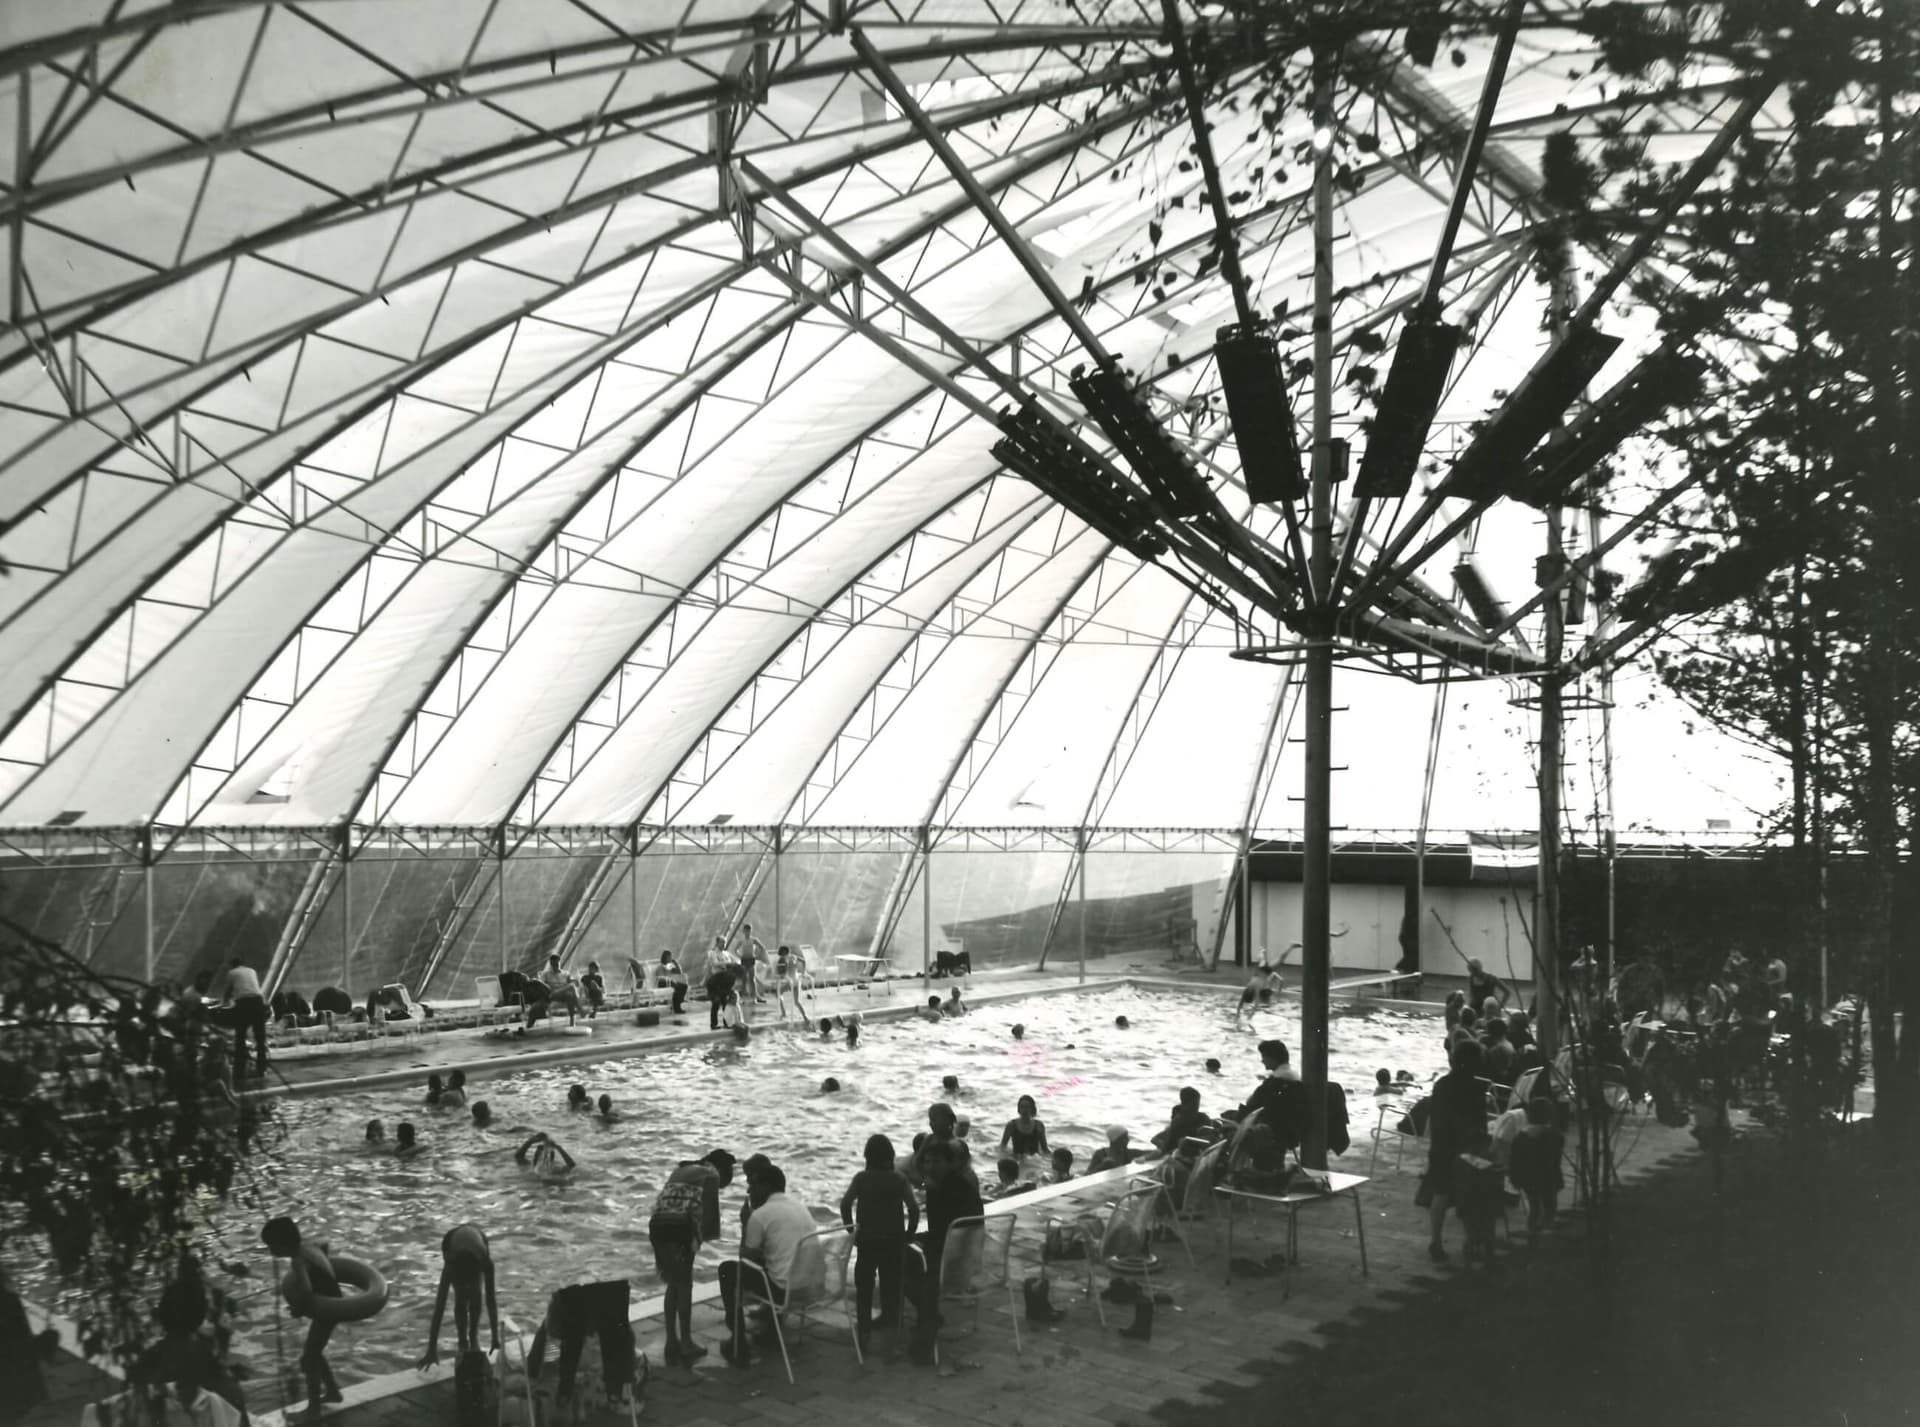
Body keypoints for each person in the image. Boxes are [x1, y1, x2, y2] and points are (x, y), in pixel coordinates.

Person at [720, 1164, 819, 1367]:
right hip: (810, 1287)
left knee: (727, 1271)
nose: (748, 1191)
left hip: (785, 1292)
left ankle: (738, 1343)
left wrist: (746, 1224)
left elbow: (745, 1260)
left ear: (766, 1186)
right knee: (775, 1265)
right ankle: (772, 1333)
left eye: (752, 1185)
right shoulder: (799, 1206)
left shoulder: (761, 1215)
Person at [648, 1149, 735, 1365]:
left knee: (673, 1283)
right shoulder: (711, 1175)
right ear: (723, 1169)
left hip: (658, 1227)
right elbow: (708, 1220)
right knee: (685, 1285)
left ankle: (671, 1341)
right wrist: (697, 1242)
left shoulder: (685, 1169)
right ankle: (686, 1343)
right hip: (679, 1230)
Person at [905, 1139, 985, 1365]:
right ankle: (928, 1316)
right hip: (970, 1260)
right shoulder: (964, 1184)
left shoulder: (939, 1190)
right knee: (909, 1252)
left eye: (936, 1161)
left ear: (949, 1163)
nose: (930, 1167)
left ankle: (927, 1320)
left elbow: (939, 1234)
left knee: (898, 1259)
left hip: (949, 1264)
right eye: (927, 1162)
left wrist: (913, 1239)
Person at [130, 1271, 247, 1421]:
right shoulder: (204, 1359)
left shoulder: (148, 1360)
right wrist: (223, 1348)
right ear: (201, 1316)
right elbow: (229, 1403)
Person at [839, 1133, 919, 1348]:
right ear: (890, 1156)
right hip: (893, 1240)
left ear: (868, 1156)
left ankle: (864, 1328)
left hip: (867, 1241)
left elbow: (846, 1204)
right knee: (891, 1284)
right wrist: (909, 1235)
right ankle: (890, 1326)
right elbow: (913, 1209)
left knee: (864, 1285)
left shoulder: (861, 1179)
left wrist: (851, 1231)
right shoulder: (899, 1179)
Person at [261, 1217, 344, 1419]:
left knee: (309, 1357)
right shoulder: (309, 1246)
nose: (270, 1251)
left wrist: (298, 1308)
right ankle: (332, 1392)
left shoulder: (298, 1260)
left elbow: (307, 1290)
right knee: (314, 1350)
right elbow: (324, 1245)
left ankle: (313, 1408)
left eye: (272, 1246)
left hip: (328, 1309)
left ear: (283, 1244)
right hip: (333, 1303)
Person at [1420, 1039, 1493, 1265]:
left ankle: (1436, 1241)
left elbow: (1440, 1121)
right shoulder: (1477, 1088)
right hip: (1466, 1148)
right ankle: (1471, 1241)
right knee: (1471, 1196)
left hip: (1443, 1147)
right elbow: (1480, 1124)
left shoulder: (1442, 1085)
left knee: (1441, 1194)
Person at [417, 1224, 500, 1369]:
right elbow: (439, 1306)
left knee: (475, 1297)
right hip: (452, 1243)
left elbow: (490, 1300)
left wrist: (495, 1337)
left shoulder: (485, 1262)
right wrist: (431, 1348)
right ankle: (462, 1342)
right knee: (461, 1299)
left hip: (477, 1243)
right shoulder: (450, 1267)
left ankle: (473, 1338)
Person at [1507, 1098, 1564, 1242]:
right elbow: (1555, 1159)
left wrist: (1515, 1178)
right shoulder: (1554, 1135)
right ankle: (1546, 1229)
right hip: (1548, 1178)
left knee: (1534, 1206)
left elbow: (1514, 1160)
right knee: (1549, 1205)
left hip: (1530, 1179)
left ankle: (1533, 1231)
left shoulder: (1521, 1137)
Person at [220, 957, 269, 1078]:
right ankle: (262, 1069)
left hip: (244, 1004)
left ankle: (239, 1071)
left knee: (240, 1037)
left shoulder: (232, 973)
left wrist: (223, 1003)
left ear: (232, 965)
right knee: (260, 1038)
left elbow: (227, 991)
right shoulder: (252, 971)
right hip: (258, 1002)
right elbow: (250, 988)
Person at [1151, 1086, 1213, 1155]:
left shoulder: (1202, 1118)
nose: (1197, 1106)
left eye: (1198, 1103)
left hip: (1187, 1148)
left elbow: (1207, 1136)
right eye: (1196, 1103)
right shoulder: (1179, 1116)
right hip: (1175, 1149)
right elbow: (1168, 1138)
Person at [703, 938, 741, 1032]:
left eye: (725, 943)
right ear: (717, 943)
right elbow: (715, 964)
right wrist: (728, 964)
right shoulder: (712, 953)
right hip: (715, 981)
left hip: (724, 980)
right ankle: (714, 1024)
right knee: (716, 1002)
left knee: (725, 1003)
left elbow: (737, 961)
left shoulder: (727, 954)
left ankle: (727, 1023)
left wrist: (729, 965)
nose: (723, 944)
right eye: (722, 942)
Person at [731, 922, 768, 1005]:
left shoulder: (753, 940)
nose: (748, 932)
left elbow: (762, 948)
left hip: (751, 960)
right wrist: (740, 955)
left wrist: (757, 956)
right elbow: (735, 949)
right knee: (744, 979)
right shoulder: (741, 940)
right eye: (746, 931)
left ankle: (754, 998)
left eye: (749, 931)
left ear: (751, 931)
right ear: (744, 931)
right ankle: (743, 998)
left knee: (752, 979)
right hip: (744, 960)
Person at [659, 949, 689, 1015]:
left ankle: (679, 1002)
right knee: (677, 987)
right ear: (665, 958)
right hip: (662, 982)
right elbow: (660, 977)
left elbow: (679, 972)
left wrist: (675, 963)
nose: (670, 958)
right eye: (669, 957)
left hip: (670, 982)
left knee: (684, 986)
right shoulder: (662, 965)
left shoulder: (669, 965)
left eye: (670, 957)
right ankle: (677, 1007)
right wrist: (674, 963)